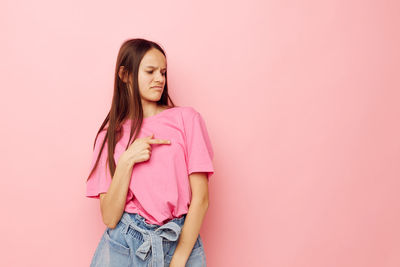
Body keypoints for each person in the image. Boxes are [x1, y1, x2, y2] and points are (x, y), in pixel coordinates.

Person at [85, 38, 215, 267]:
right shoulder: (110, 135)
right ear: (125, 75)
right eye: (150, 71)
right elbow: (110, 217)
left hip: (179, 240)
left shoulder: (187, 119)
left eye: (163, 72)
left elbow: (201, 199)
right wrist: (126, 161)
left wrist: (179, 260)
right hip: (125, 244)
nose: (160, 79)